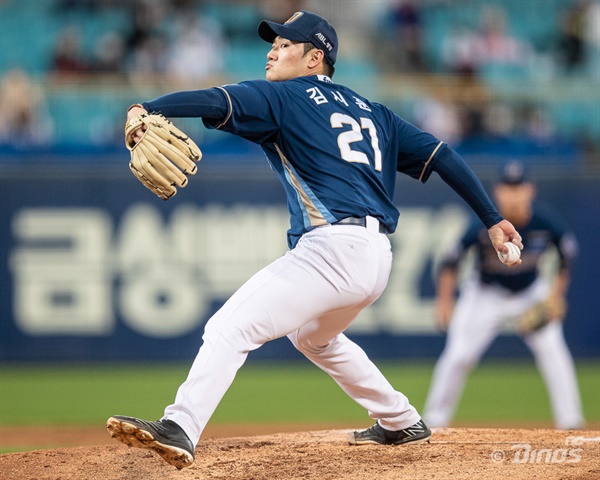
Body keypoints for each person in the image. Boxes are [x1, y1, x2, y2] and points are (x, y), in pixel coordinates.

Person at [106, 11, 523, 469]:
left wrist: (147, 106)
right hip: (376, 257)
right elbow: (441, 155)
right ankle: (400, 419)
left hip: (332, 250)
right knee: (314, 338)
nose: (272, 51)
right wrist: (492, 217)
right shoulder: (374, 112)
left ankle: (180, 426)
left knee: (229, 328)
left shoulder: (281, 97)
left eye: (284, 44)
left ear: (314, 58)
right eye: (274, 43)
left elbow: (213, 99)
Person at [423, 161, 584, 431]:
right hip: (485, 294)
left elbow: (567, 257)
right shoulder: (483, 224)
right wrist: (444, 303)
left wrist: (556, 296)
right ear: (497, 192)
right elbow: (449, 263)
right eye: (508, 188)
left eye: (518, 188)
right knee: (458, 355)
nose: (513, 194)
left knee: (554, 353)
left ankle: (570, 421)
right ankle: (434, 420)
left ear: (530, 191)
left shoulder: (546, 223)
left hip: (530, 293)